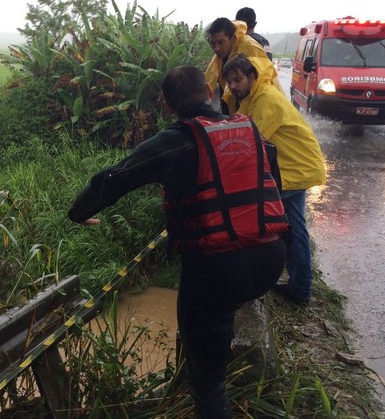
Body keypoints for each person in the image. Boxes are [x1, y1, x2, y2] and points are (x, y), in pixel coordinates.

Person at [68, 65, 288, 419]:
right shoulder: (249, 129)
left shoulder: (176, 140)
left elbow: (114, 178)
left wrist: (78, 213)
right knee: (219, 313)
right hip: (271, 258)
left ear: (168, 106)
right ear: (209, 89)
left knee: (209, 381)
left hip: (216, 268)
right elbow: (271, 175)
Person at [222, 54, 327, 305]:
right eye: (230, 82)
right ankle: (299, 286)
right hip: (289, 166)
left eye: (238, 80)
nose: (233, 86)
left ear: (252, 76)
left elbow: (248, 144)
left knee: (286, 227)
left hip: (293, 168)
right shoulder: (252, 97)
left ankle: (296, 287)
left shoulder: (265, 99)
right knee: (292, 227)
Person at [204, 17, 280, 116]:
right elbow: (209, 79)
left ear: (233, 38)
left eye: (220, 42)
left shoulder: (249, 48)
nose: (216, 48)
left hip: (261, 106)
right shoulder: (220, 56)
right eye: (213, 43)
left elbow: (260, 83)